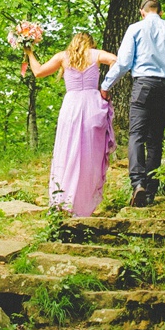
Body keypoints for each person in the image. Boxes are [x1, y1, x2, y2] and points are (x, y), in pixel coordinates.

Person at [101, 0, 165, 207]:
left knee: (136, 135)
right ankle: (150, 191)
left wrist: (106, 85)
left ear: (142, 12)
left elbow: (124, 62)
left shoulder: (135, 29)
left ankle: (138, 184)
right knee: (155, 139)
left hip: (144, 86)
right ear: (161, 12)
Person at [27, 32, 117, 217]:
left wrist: (29, 52)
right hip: (92, 105)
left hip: (72, 107)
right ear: (90, 43)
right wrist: (106, 85)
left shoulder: (62, 57)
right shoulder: (95, 54)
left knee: (67, 151)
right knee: (91, 155)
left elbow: (38, 72)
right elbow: (117, 60)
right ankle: (85, 204)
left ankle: (64, 200)